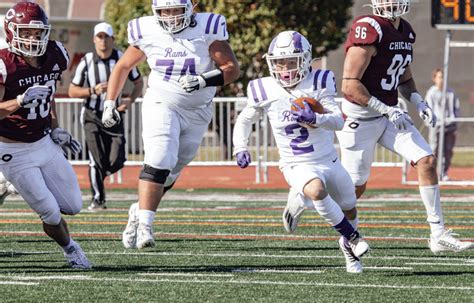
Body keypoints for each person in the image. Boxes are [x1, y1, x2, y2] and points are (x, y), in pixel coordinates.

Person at [101, 0, 240, 249]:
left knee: (171, 171)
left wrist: (203, 80)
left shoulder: (206, 27)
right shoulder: (147, 30)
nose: (171, 16)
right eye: (165, 11)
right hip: (161, 102)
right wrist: (110, 102)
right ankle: (145, 226)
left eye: (176, 10)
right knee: (160, 156)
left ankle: (139, 210)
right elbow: (123, 65)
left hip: (197, 111)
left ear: (189, 8)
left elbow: (231, 69)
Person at [338, 0, 473, 254]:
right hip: (361, 120)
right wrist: (386, 109)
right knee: (354, 188)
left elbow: (405, 78)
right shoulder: (369, 28)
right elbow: (349, 85)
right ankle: (311, 198)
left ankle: (438, 235)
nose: (391, 3)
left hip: (390, 116)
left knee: (427, 161)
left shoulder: (405, 30)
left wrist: (419, 101)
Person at [233, 31, 370, 273]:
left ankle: (347, 249)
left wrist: (316, 118)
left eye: (290, 61)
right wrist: (239, 146)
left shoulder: (319, 82)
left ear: (305, 60)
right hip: (295, 163)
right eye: (278, 62)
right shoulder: (264, 88)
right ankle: (354, 238)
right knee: (317, 190)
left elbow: (338, 121)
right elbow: (245, 119)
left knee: (349, 206)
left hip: (328, 159)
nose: (284, 67)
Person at [0, 2, 91, 268]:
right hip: (12, 149)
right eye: (25, 32)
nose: (32, 38)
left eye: (37, 32)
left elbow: (46, 97)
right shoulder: (5, 64)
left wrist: (55, 128)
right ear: (11, 31)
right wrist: (18, 100)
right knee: (50, 212)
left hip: (43, 142)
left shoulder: (56, 54)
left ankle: (7, 183)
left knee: (73, 206)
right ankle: (71, 250)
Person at [68, 22, 143, 210]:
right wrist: (92, 90)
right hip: (92, 115)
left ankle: (101, 176)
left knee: (117, 159)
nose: (103, 41)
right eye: (99, 37)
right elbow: (72, 90)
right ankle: (98, 199)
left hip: (115, 115)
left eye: (106, 37)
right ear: (94, 40)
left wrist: (130, 100)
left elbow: (139, 82)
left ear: (113, 39)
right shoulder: (86, 61)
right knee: (96, 159)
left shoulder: (121, 58)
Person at [425, 68, 460, 181]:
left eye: (443, 77)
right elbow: (428, 109)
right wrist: (431, 122)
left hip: (449, 126)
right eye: (439, 77)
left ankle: (443, 173)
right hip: (436, 127)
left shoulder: (451, 92)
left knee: (448, 151)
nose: (442, 80)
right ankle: (432, 174)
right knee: (434, 150)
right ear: (434, 79)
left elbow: (456, 109)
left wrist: (454, 122)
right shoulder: (431, 93)